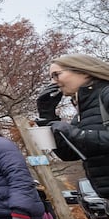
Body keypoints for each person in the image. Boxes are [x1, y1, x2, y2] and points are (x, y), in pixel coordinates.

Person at [37, 53, 109, 198]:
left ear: (82, 70)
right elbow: (68, 154)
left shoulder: (106, 94)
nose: (53, 82)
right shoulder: (83, 110)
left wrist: (77, 134)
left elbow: (78, 137)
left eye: (56, 75)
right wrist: (46, 116)